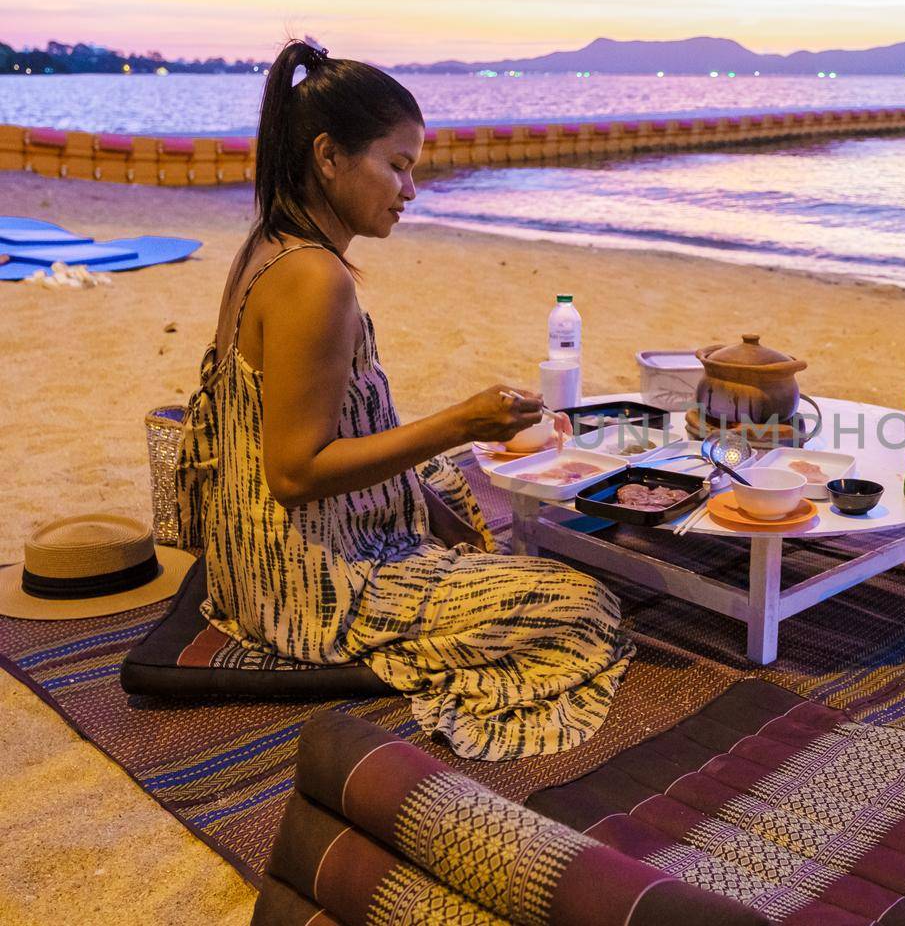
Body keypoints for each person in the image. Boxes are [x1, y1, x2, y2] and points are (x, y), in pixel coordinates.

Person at [175, 39, 632, 761]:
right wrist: (460, 422)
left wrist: (435, 483)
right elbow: (294, 474)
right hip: (308, 587)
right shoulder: (316, 282)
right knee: (583, 605)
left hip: (246, 559)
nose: (410, 190)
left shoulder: (267, 246)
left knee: (451, 489)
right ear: (329, 156)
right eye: (397, 164)